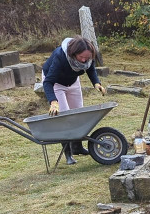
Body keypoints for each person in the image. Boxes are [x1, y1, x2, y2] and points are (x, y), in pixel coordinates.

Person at [41, 36, 106, 164]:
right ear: (73, 53)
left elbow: (90, 69)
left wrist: (96, 83)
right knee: (65, 117)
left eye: (86, 58)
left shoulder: (88, 57)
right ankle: (68, 154)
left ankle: (77, 147)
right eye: (81, 57)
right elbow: (48, 82)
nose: (83, 60)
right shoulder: (60, 57)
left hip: (73, 82)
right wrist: (53, 102)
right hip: (56, 83)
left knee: (78, 114)